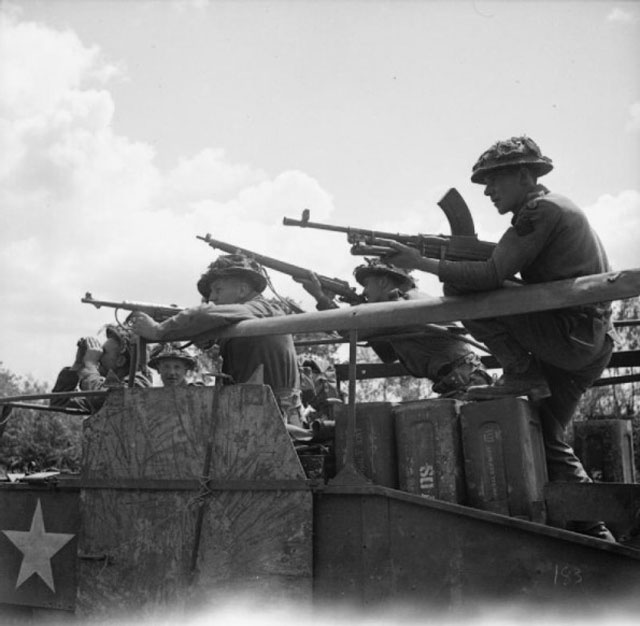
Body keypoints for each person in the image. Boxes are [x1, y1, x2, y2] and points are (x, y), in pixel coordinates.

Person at [378, 135, 617, 541]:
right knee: (547, 436)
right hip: (588, 342)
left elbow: (489, 277)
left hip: (569, 335)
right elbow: (507, 269)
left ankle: (521, 369)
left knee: (458, 292)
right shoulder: (554, 208)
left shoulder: (539, 211)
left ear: (525, 175)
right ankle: (598, 531)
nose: (488, 191)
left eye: (495, 180)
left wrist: (420, 262)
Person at [129, 254, 303, 426]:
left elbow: (206, 314)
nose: (212, 297)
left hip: (270, 414)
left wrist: (158, 331)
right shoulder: (248, 317)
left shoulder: (262, 307)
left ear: (242, 290)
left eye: (218, 290)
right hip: (258, 410)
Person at [297, 259, 491, 398]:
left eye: (367, 284)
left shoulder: (401, 305)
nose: (364, 292)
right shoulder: (408, 301)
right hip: (463, 380)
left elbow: (349, 331)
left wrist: (321, 298)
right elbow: (388, 355)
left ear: (382, 282)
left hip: (467, 383)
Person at [51, 324, 152, 412]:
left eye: (104, 352)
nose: (99, 356)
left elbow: (103, 398)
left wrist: (90, 366)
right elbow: (59, 404)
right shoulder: (108, 389)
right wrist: (78, 365)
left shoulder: (138, 384)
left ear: (120, 361)